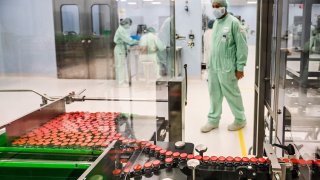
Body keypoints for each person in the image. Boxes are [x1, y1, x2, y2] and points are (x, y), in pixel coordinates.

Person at [201, 0, 248, 132]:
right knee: (214, 93)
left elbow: (242, 47)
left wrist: (240, 67)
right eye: (213, 6)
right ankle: (213, 120)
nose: (215, 8)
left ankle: (240, 119)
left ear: (224, 6)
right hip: (214, 66)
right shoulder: (216, 23)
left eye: (218, 6)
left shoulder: (234, 23)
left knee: (232, 93)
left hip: (227, 66)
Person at [114, 18, 138, 86]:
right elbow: (128, 40)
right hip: (119, 49)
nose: (129, 27)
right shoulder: (121, 30)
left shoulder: (122, 29)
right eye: (129, 25)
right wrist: (137, 41)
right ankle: (120, 83)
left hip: (121, 48)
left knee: (122, 66)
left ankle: (122, 81)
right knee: (120, 66)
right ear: (126, 23)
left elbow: (127, 39)